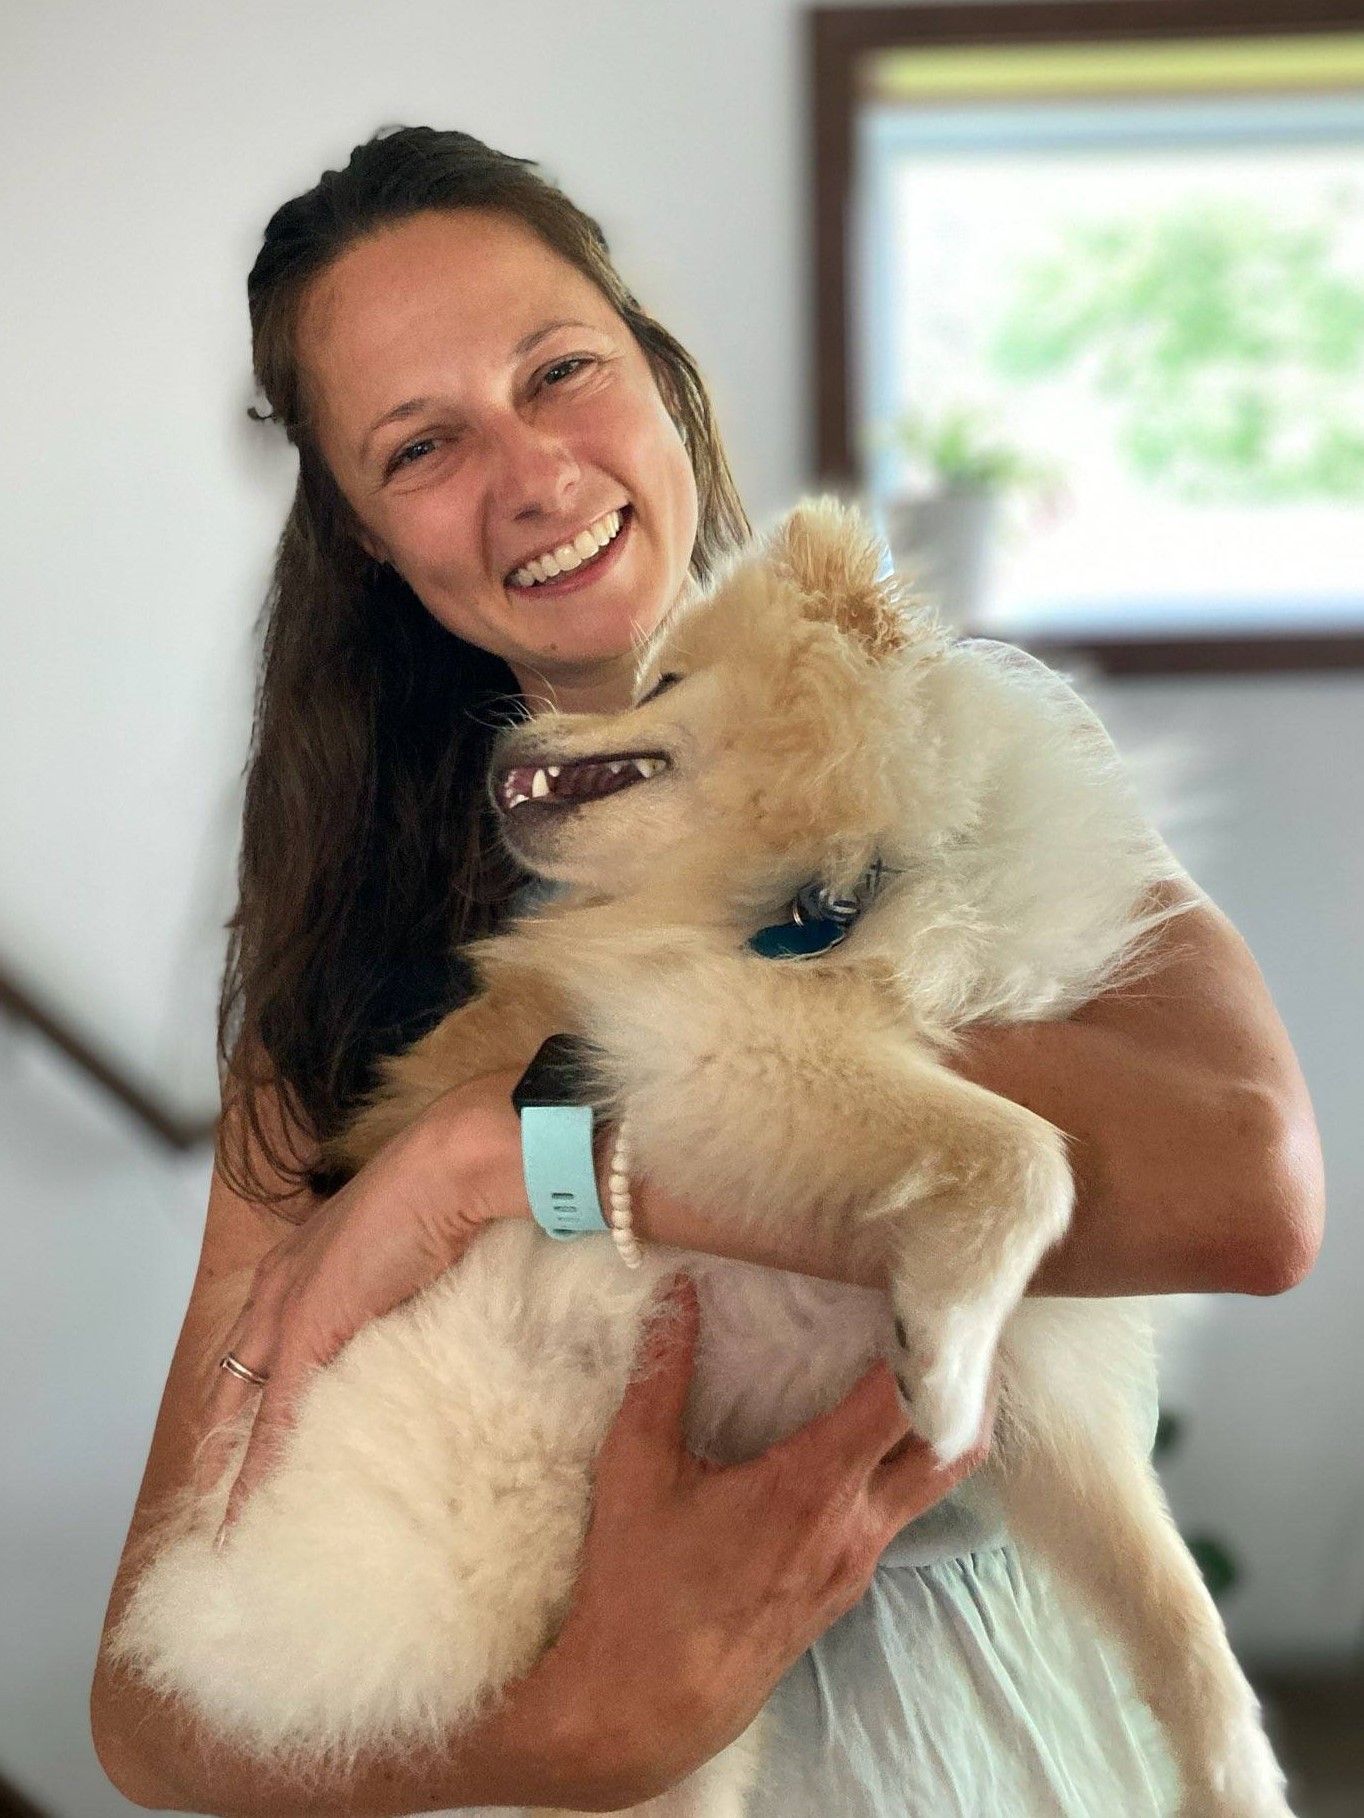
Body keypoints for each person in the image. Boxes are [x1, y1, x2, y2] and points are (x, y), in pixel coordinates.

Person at [91, 127, 1323, 1817]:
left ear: (657, 373)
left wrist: (494, 1160)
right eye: (423, 443)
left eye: (561, 369)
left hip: (969, 1731)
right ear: (367, 530)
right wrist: (575, 1730)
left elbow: (1250, 1195)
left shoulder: (970, 745)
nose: (530, 475)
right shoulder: (338, 944)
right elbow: (147, 1721)